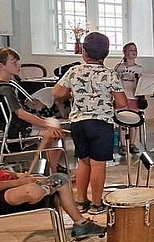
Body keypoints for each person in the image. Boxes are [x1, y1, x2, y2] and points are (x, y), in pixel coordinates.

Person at [0, 92, 105, 239]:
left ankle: (81, 224)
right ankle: (45, 189)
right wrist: (21, 182)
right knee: (33, 190)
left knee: (60, 180)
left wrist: (19, 176)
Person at [52, 32, 127, 215]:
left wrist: (73, 93)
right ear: (106, 54)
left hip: (78, 122)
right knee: (98, 164)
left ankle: (81, 200)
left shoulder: (74, 71)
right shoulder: (109, 74)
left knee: (83, 162)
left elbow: (57, 92)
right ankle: (96, 204)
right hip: (100, 123)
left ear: (84, 52)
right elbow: (122, 103)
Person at [0, 47, 65, 173]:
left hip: (16, 129)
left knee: (55, 132)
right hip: (18, 132)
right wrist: (47, 123)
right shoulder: (5, 89)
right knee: (55, 134)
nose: (19, 65)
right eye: (14, 63)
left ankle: (49, 169)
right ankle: (52, 171)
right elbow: (20, 113)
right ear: (1, 66)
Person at [114, 42, 144, 155]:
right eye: (131, 49)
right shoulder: (119, 67)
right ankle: (123, 145)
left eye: (135, 49)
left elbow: (141, 85)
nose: (134, 51)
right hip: (122, 96)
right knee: (122, 121)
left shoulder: (139, 69)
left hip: (134, 97)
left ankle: (132, 143)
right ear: (125, 52)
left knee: (134, 121)